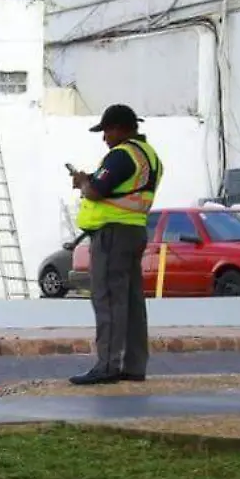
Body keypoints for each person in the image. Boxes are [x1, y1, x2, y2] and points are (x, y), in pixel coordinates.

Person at [69, 104, 162, 386]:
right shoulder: (150, 155)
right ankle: (134, 366)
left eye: (107, 131)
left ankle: (107, 366)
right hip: (133, 231)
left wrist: (83, 182)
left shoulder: (122, 154)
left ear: (120, 128)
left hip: (113, 235)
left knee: (108, 299)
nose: (104, 138)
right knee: (131, 302)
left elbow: (97, 191)